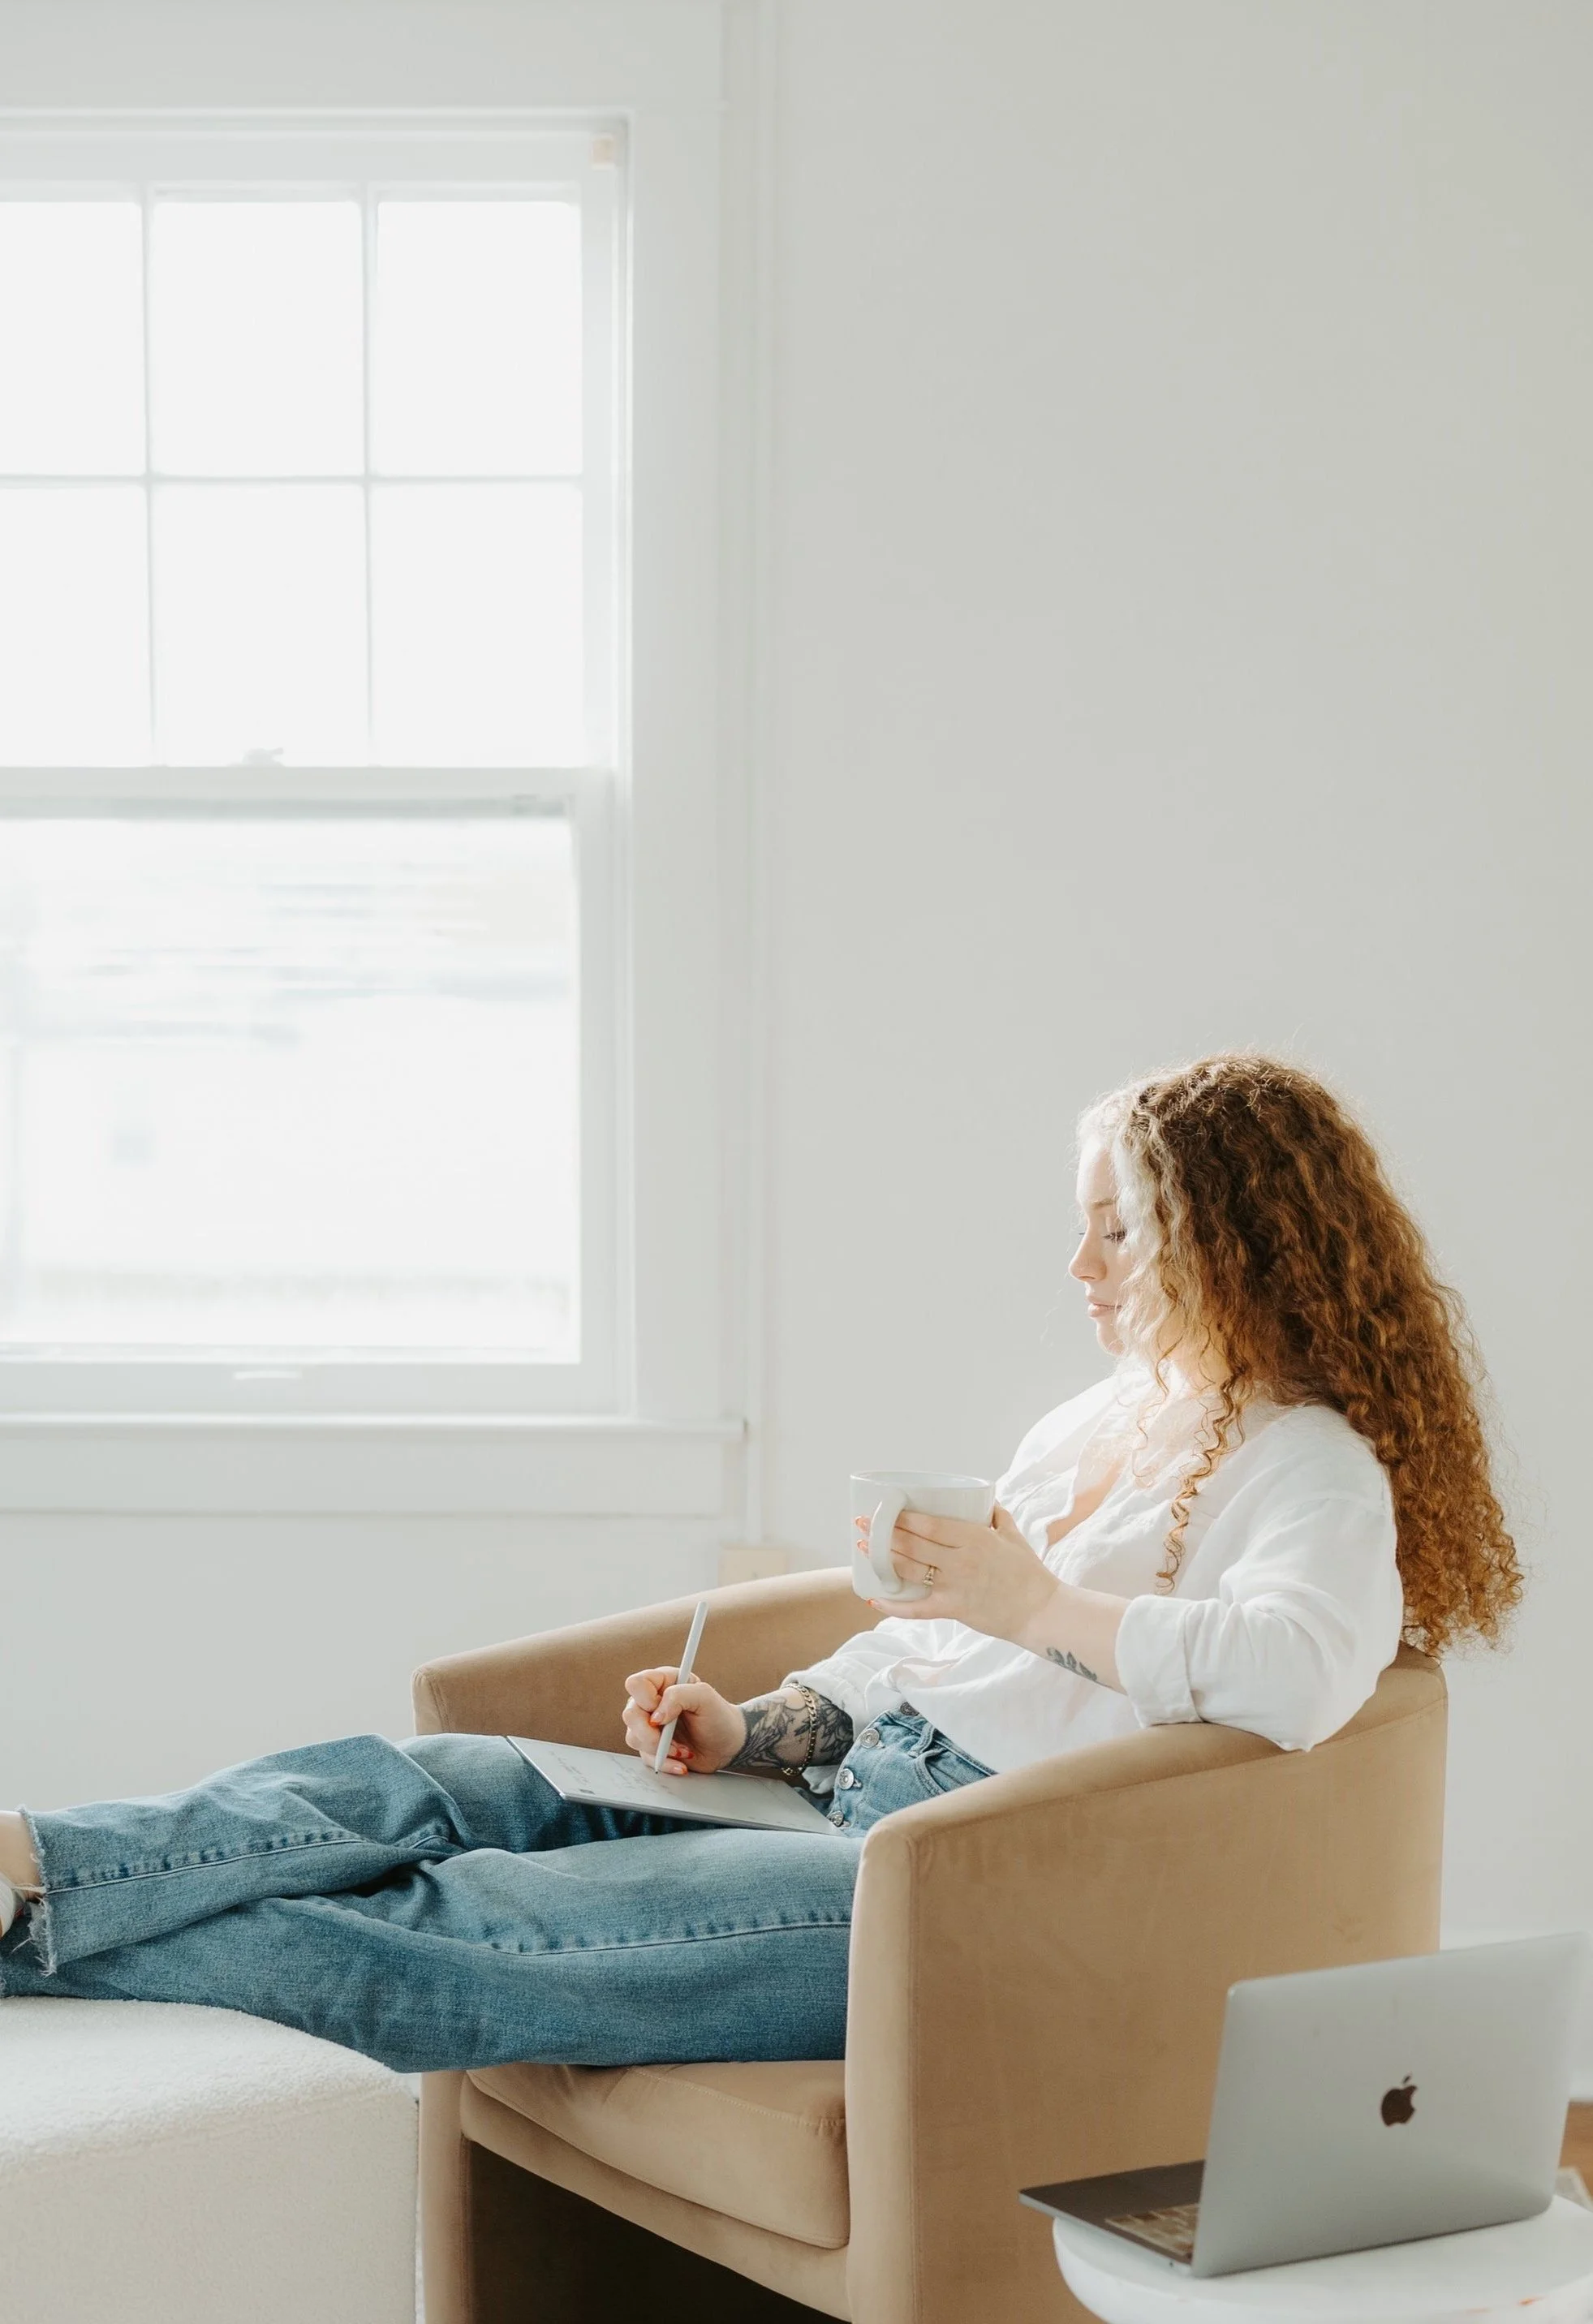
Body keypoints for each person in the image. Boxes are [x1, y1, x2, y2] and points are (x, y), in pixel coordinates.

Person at [0, 1055, 1521, 2072]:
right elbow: (918, 1651)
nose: (1078, 1269)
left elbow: (1303, 1677)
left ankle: (27, 1950)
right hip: (827, 1790)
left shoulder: (1310, 1467)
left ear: (1231, 1241)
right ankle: (33, 1864)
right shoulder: (1103, 1417)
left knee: (454, 1929)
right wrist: (753, 1725)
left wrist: (1039, 1605)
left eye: (1116, 1235)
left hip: (935, 1885)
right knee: (432, 1782)